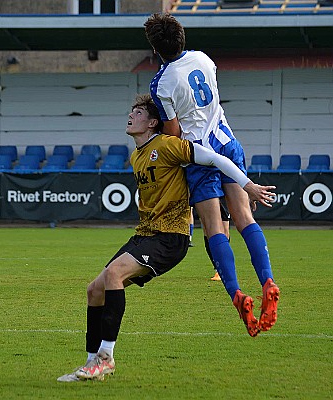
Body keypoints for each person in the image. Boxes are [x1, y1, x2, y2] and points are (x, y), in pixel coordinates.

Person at [57, 94, 275, 382]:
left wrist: (245, 187)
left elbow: (213, 158)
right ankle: (90, 364)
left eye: (137, 112)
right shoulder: (136, 155)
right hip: (146, 233)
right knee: (94, 290)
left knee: (113, 275)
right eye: (131, 111)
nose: (130, 116)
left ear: (152, 122)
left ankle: (106, 358)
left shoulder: (169, 146)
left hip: (171, 237)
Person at [144, 13, 280, 337]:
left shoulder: (162, 83)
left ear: (154, 48)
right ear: (182, 37)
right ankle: (268, 281)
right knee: (244, 218)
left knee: (213, 227)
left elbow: (174, 131)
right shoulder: (204, 59)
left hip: (200, 157)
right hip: (226, 141)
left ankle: (236, 294)